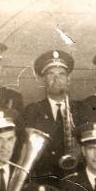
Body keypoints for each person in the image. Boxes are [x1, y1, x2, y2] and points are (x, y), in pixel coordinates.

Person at [22, 50, 81, 181]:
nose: (56, 79)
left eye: (61, 74)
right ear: (43, 80)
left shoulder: (81, 108)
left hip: (75, 177)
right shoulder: (32, 110)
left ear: (68, 80)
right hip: (43, 177)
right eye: (51, 74)